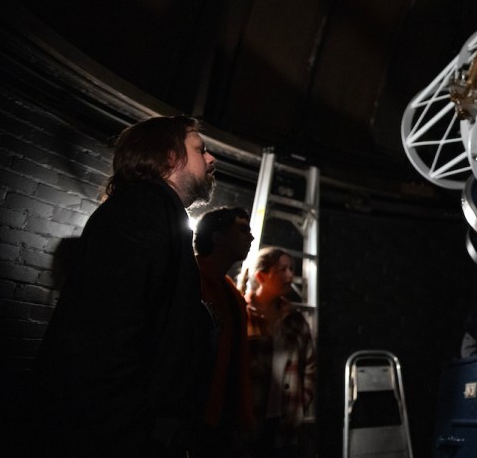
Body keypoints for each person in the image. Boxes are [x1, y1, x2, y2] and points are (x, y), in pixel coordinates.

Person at [33, 115, 218, 458]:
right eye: (200, 150)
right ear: (170, 156)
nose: (211, 159)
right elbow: (106, 332)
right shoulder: (142, 210)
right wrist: (141, 432)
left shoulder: (155, 211)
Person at [238, 247, 317, 457]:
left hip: (285, 424)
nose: (291, 275)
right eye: (283, 269)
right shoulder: (240, 315)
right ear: (261, 276)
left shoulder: (295, 320)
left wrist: (300, 403)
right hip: (246, 424)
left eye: (291, 268)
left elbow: (310, 366)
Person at [191, 207, 255, 457]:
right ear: (217, 237)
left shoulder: (232, 295)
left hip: (220, 416)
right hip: (192, 413)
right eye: (242, 230)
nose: (250, 238)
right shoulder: (190, 279)